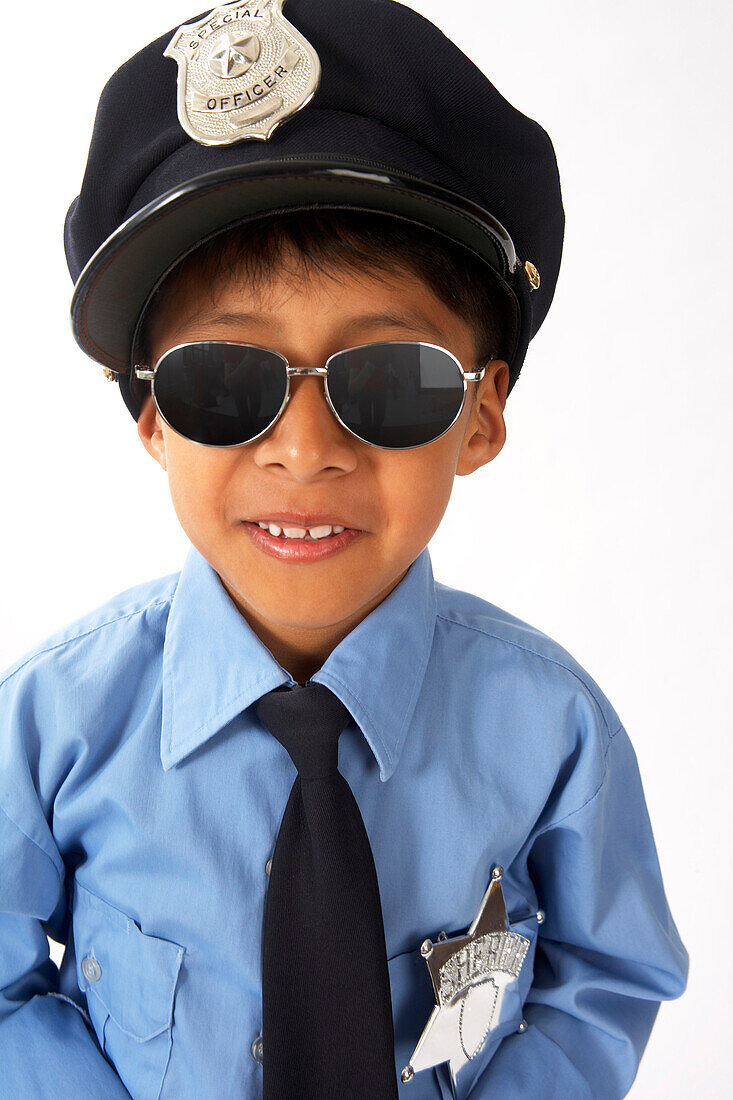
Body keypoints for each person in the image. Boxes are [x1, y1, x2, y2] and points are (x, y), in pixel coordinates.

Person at [0, 2, 688, 1098]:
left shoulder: (555, 730)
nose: (306, 449)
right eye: (225, 381)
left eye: (389, 380)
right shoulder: (49, 723)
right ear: (149, 415)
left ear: (480, 415)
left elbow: (605, 971)